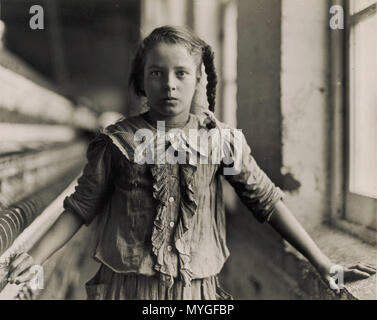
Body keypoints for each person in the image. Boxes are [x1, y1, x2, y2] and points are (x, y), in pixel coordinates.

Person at [6, 25, 375, 300]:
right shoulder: (116, 143)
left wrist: (324, 263)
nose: (169, 84)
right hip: (126, 288)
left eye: (181, 74)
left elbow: (267, 201)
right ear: (140, 81)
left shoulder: (220, 142)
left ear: (198, 79)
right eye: (157, 73)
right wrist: (34, 258)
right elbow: (80, 207)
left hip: (195, 294)